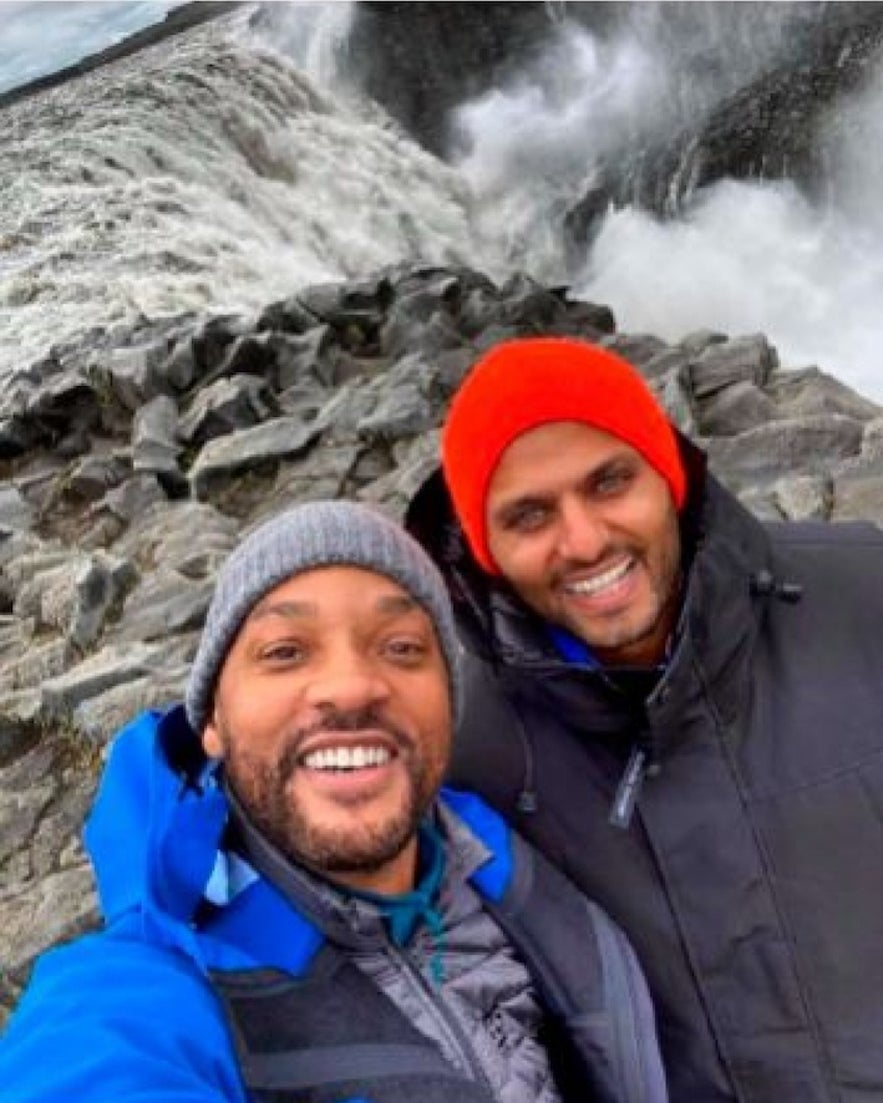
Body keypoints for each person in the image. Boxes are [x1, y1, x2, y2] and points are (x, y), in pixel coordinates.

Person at [0, 499, 667, 1103]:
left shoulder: (528, 856)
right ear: (212, 722)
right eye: (285, 651)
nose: (349, 687)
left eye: (402, 647)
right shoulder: (141, 991)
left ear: (449, 705)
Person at [405, 335, 883, 1103]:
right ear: (483, 548)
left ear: (667, 475)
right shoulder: (465, 750)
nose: (585, 540)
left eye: (610, 481)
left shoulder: (862, 596)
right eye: (529, 515)